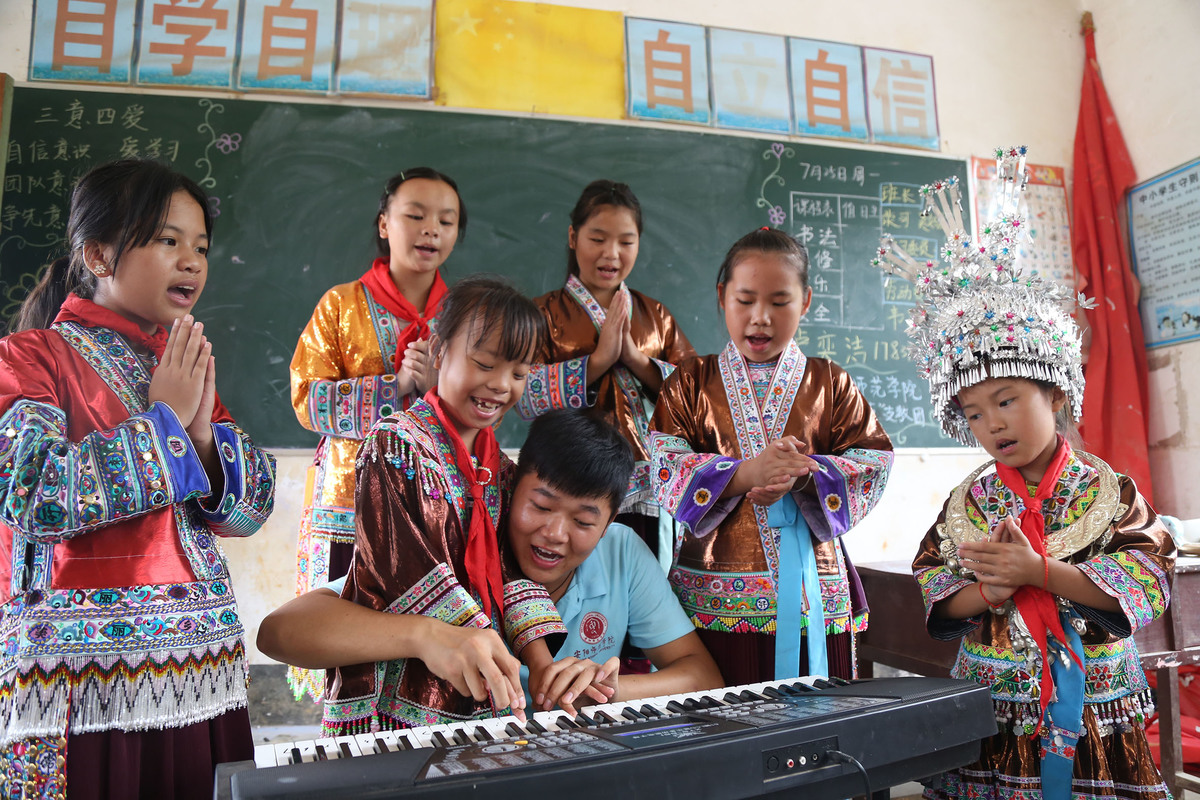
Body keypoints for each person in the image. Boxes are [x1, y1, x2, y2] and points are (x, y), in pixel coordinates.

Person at [873, 148, 1174, 800]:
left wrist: (1038, 572)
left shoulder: (1106, 492)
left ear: (1057, 394)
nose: (993, 425)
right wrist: (990, 589)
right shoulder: (969, 502)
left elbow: (1146, 581)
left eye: (1007, 400)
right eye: (975, 413)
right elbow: (936, 588)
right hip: (993, 709)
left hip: (1094, 710)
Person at [0, 159, 277, 800]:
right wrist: (165, 424)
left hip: (198, 670)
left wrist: (202, 436)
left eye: (201, 247)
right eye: (167, 240)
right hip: (76, 685)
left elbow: (248, 510)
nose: (192, 262)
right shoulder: (31, 356)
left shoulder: (178, 363)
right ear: (98, 254)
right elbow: (34, 493)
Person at [258, 409, 723, 715]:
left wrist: (604, 692)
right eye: (540, 507)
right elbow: (278, 633)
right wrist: (428, 636)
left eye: (583, 520)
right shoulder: (464, 541)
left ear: (608, 523)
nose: (554, 535)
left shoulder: (622, 552)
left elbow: (702, 674)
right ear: (510, 485)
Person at [321, 275, 569, 735]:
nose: (500, 386)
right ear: (438, 351)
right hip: (397, 685)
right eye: (485, 364)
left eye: (518, 373)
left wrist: (540, 664)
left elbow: (508, 571)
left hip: (475, 677)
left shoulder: (501, 471)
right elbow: (409, 569)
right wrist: (487, 643)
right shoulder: (394, 447)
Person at [649, 227, 893, 688]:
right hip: (713, 596)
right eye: (745, 300)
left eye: (780, 302)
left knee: (819, 733)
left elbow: (874, 458)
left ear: (805, 301)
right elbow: (664, 463)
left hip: (811, 594)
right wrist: (746, 473)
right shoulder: (688, 381)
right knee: (726, 730)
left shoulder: (830, 382)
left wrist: (804, 476)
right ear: (722, 296)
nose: (760, 318)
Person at [288, 167, 466, 700]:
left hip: (436, 501)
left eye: (446, 220)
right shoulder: (340, 304)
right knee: (341, 626)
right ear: (385, 224)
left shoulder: (465, 318)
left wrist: (439, 390)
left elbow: (488, 404)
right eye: (415, 215)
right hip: (348, 502)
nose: (430, 229)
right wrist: (395, 387)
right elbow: (307, 399)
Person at [515, 180, 695, 557]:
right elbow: (521, 395)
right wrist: (596, 363)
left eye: (626, 242)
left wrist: (636, 359)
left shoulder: (656, 315)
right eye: (597, 238)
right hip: (567, 482)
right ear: (572, 237)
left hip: (648, 485)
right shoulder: (541, 314)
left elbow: (698, 395)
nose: (611, 253)